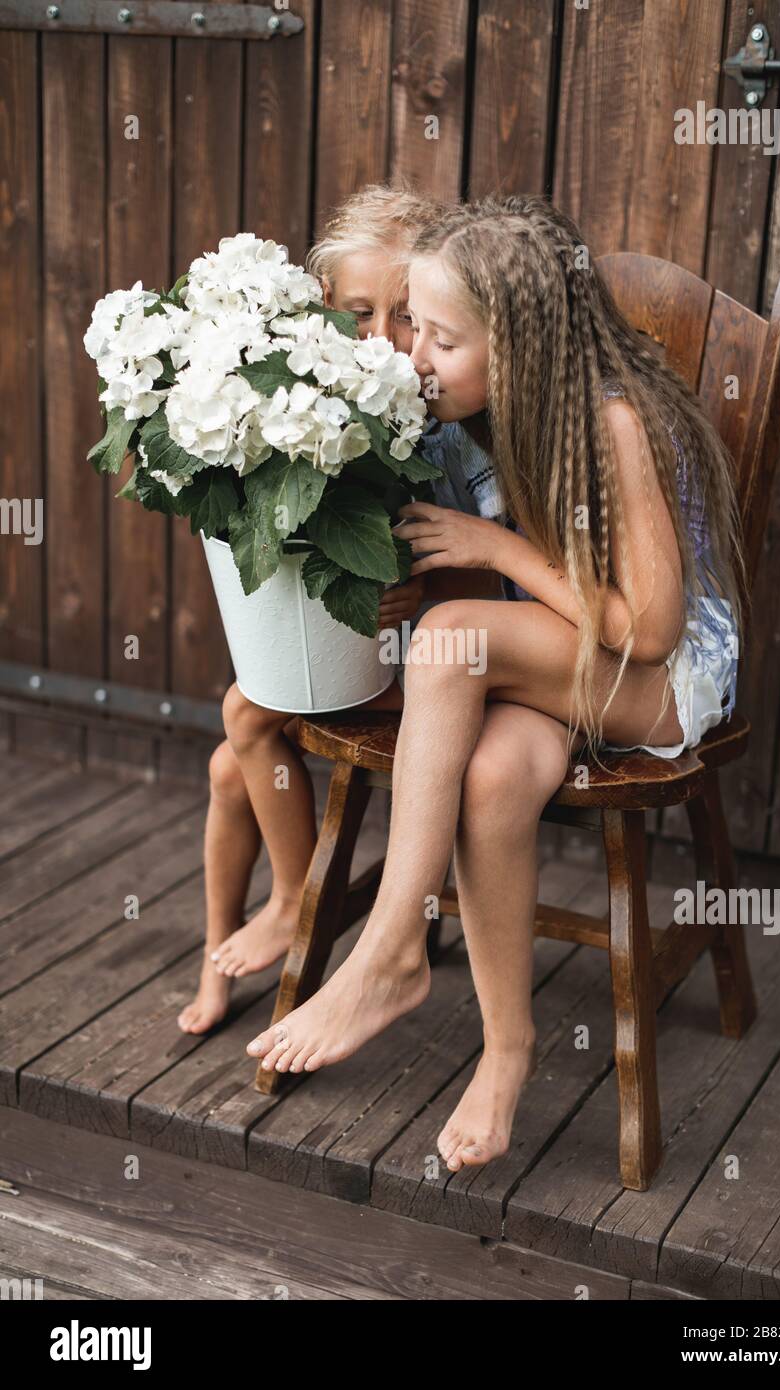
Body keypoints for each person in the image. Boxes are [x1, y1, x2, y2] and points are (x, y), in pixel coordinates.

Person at [242, 193, 746, 1174]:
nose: (412, 356)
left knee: (453, 638)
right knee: (489, 777)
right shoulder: (477, 415)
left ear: (513, 346)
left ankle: (389, 947)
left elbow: (647, 632)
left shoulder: (612, 423)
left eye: (435, 336)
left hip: (661, 684)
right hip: (561, 661)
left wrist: (489, 546)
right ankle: (506, 1050)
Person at [178, 183, 452, 1034]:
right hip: (356, 655)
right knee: (231, 764)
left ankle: (298, 897)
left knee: (241, 719)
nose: (381, 340)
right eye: (358, 313)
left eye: (405, 315)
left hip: (447, 675)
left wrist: (427, 589)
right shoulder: (320, 407)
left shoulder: (453, 404)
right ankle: (220, 951)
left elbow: (499, 556)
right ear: (323, 313)